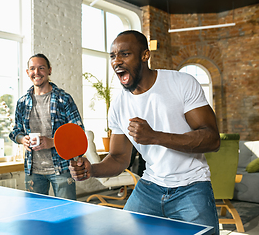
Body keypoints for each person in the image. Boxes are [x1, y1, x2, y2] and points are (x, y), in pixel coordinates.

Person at [70, 30, 221, 234]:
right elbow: (119, 158)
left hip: (191, 186)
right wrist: (92, 170)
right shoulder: (118, 105)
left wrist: (155, 137)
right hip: (150, 186)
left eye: (125, 54)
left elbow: (212, 139)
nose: (117, 61)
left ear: (144, 56)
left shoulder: (182, 83)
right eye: (113, 56)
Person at [9, 53, 84, 200]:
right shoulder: (22, 103)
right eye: (32, 68)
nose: (36, 72)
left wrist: (52, 142)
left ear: (49, 70)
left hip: (62, 168)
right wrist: (22, 139)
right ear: (27, 72)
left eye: (41, 68)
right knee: (36, 217)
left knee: (67, 213)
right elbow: (15, 132)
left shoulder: (64, 99)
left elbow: (78, 133)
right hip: (33, 170)